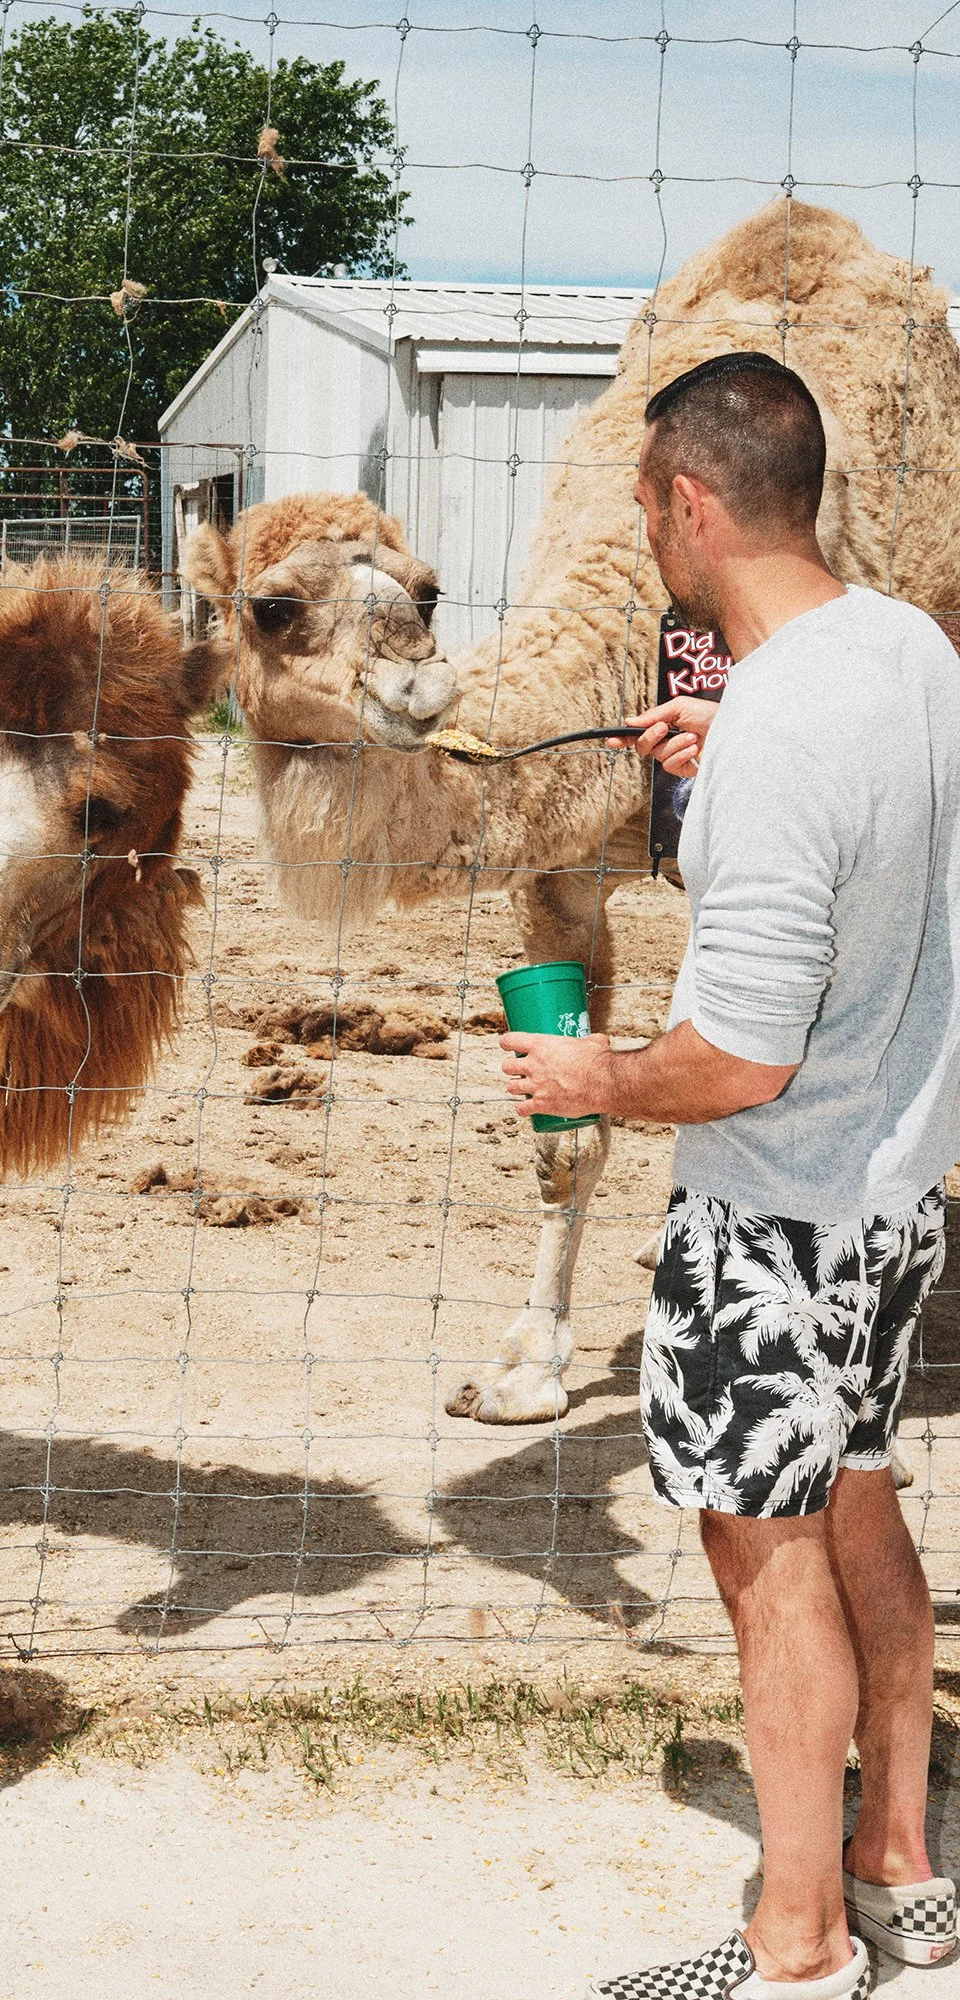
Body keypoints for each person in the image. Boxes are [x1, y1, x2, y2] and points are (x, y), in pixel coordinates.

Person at [501, 352, 960, 1999]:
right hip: (900, 1189)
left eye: (645, 504)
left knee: (765, 1560)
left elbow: (743, 1057)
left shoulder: (783, 728)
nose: (644, 530)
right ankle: (898, 1864)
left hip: (776, 1206)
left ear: (693, 505)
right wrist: (732, 734)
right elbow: (877, 815)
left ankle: (795, 1941)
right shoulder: (906, 646)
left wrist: (597, 1079)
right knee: (856, 1498)